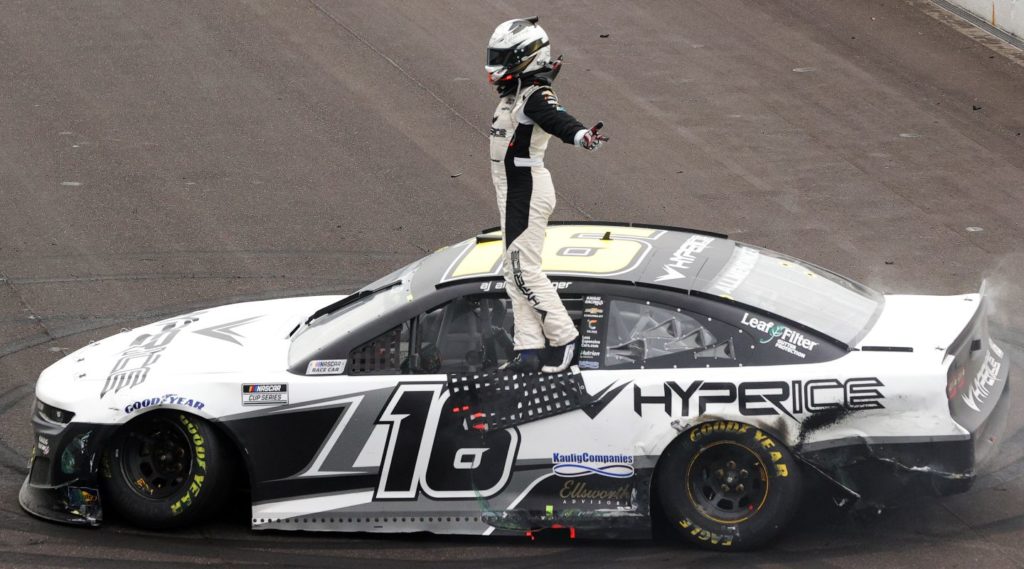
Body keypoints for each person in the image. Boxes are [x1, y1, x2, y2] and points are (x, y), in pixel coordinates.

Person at [485, 17, 608, 374]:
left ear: (525, 57)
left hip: (526, 189)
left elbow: (557, 119)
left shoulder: (536, 95)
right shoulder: (519, 92)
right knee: (513, 271)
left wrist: (582, 136)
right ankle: (528, 351)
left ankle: (565, 341)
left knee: (524, 270)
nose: (494, 65)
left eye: (502, 56)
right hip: (512, 190)